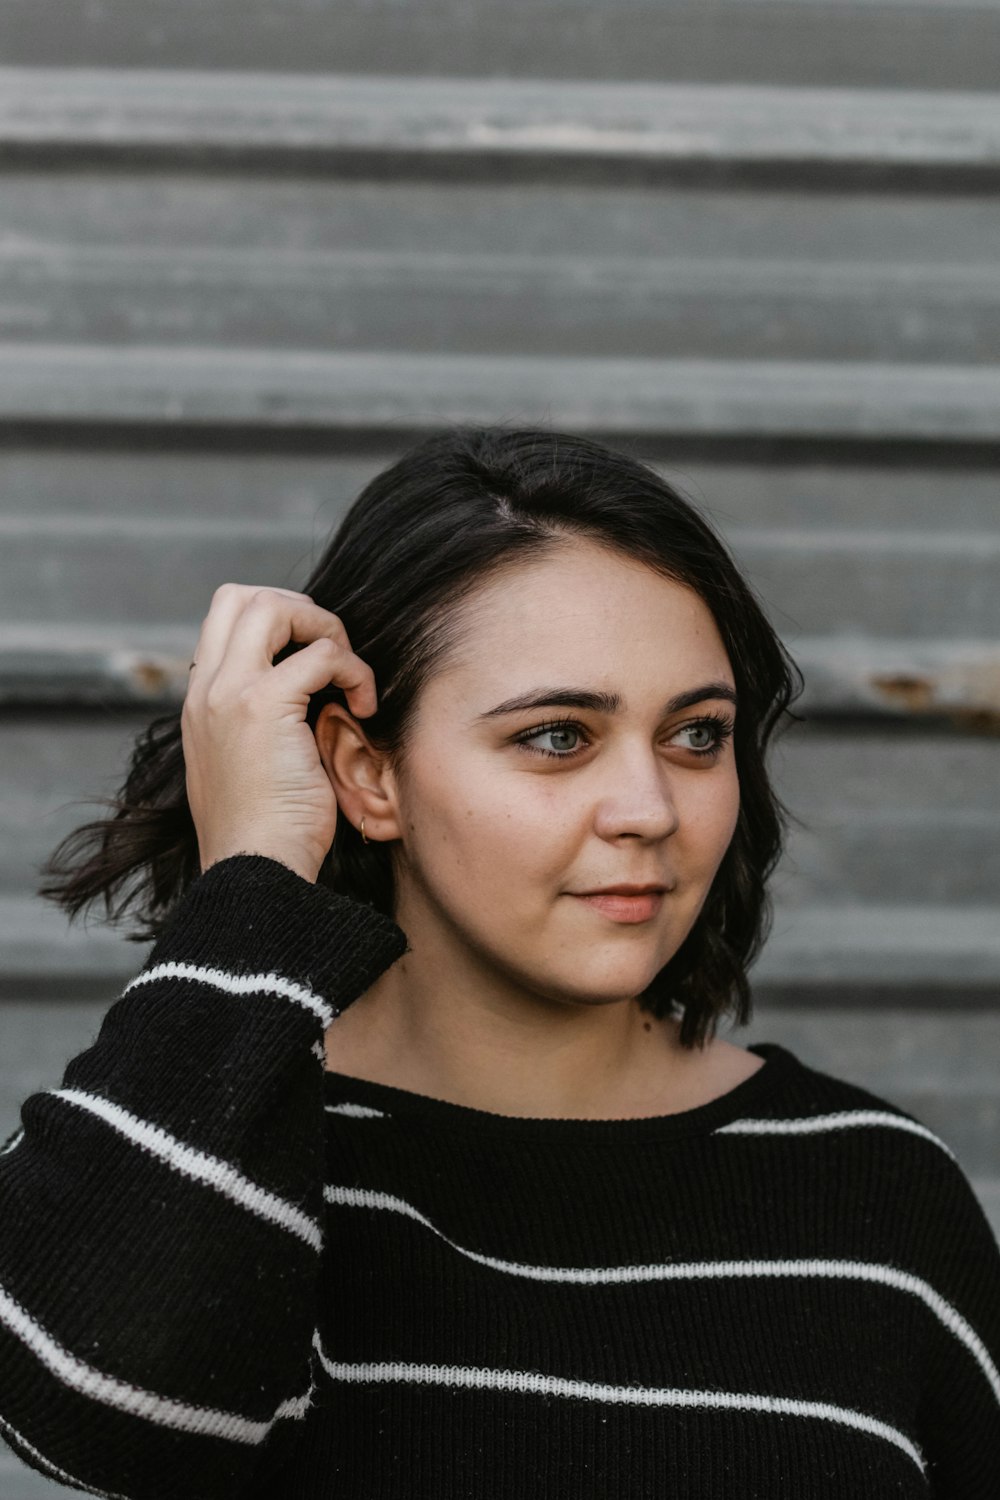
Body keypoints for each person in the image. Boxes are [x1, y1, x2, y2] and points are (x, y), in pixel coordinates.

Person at [0, 426, 997, 1499]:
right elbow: (106, 1416)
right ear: (364, 772)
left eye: (696, 735)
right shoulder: (213, 1165)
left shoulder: (873, 1192)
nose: (651, 810)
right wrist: (253, 877)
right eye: (559, 737)